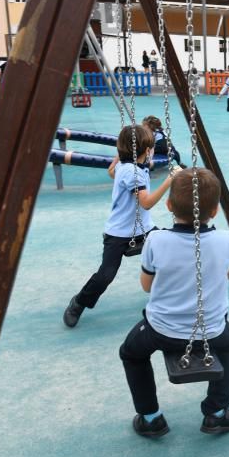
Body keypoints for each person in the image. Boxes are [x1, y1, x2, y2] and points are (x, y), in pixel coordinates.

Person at [118, 168, 229, 438]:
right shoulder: (225, 240)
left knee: (131, 353)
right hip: (212, 331)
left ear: (169, 205)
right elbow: (226, 276)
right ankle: (217, 413)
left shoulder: (156, 239)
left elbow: (147, 286)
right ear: (215, 212)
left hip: (161, 330)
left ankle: (150, 417)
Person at [63, 125, 177, 328]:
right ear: (147, 150)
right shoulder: (134, 173)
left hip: (144, 228)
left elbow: (111, 172)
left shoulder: (127, 167)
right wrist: (170, 179)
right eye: (150, 147)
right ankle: (79, 302)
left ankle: (168, 294)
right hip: (118, 233)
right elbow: (147, 203)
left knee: (168, 250)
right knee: (105, 275)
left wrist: (118, 157)